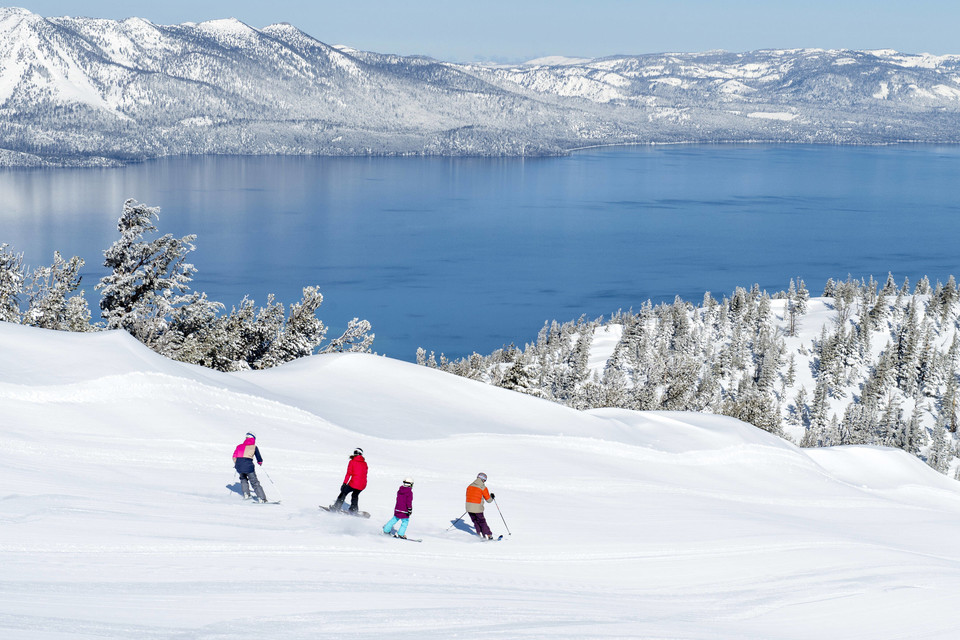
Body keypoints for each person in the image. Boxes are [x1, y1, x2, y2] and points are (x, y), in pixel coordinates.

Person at [232, 432, 267, 503]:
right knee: (254, 482)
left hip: (239, 466)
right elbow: (259, 457)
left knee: (243, 479)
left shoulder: (239, 446)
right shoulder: (254, 447)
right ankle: (262, 498)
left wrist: (238, 464)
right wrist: (260, 462)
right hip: (248, 466)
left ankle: (246, 494)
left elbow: (234, 457)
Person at [331, 448, 367, 512]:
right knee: (355, 495)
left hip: (354, 483)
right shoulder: (365, 463)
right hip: (363, 485)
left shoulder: (352, 462)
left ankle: (336, 507)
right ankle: (354, 509)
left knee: (343, 492)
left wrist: (344, 484)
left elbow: (348, 474)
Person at [466, 472, 495, 540]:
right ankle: (489, 535)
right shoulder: (483, 487)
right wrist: (492, 497)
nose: (484, 482)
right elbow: (489, 500)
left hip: (469, 507)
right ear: (482, 479)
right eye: (485, 480)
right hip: (477, 508)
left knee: (475, 521)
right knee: (482, 521)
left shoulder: (469, 486)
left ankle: (479, 535)